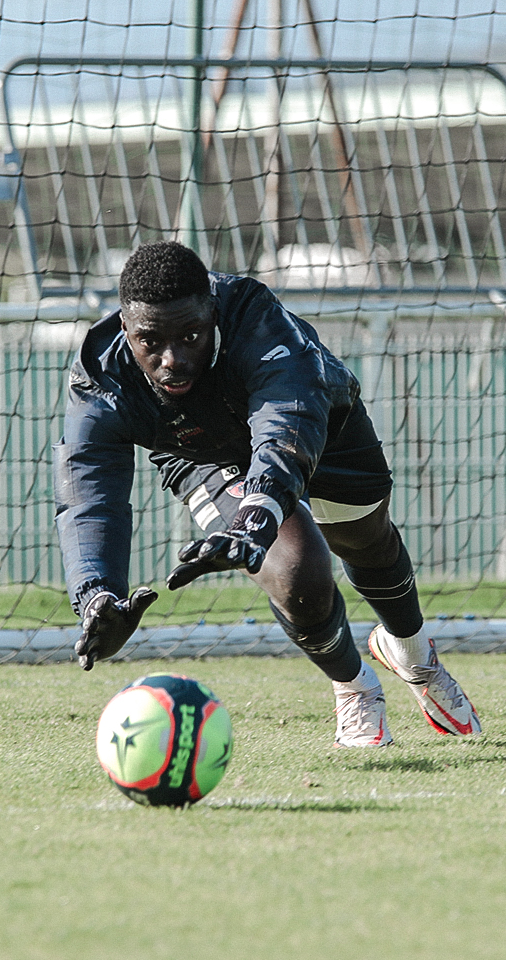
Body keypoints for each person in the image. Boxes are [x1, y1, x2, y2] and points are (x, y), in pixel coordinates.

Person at [53, 241, 480, 747]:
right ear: (126, 330)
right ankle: (355, 687)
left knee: (367, 541)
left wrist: (257, 516)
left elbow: (286, 422)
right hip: (205, 457)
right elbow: (88, 492)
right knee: (295, 567)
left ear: (212, 314)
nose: (173, 360)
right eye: (151, 341)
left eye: (191, 336)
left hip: (322, 430)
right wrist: (96, 594)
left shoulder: (258, 321)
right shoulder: (102, 376)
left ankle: (412, 654)